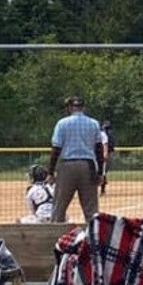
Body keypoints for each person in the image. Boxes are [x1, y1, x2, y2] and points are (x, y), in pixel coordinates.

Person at [47, 95, 104, 224]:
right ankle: (93, 237)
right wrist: (100, 172)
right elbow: (99, 149)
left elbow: (56, 148)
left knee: (59, 207)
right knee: (91, 209)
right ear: (83, 107)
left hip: (67, 165)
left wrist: (51, 172)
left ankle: (55, 237)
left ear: (69, 107)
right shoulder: (93, 123)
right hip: (87, 166)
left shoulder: (62, 123)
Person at [98, 120, 115, 194]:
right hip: (100, 156)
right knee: (101, 173)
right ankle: (102, 187)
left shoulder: (104, 135)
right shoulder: (103, 134)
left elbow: (106, 146)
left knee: (103, 173)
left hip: (104, 155)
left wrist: (105, 154)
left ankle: (102, 188)